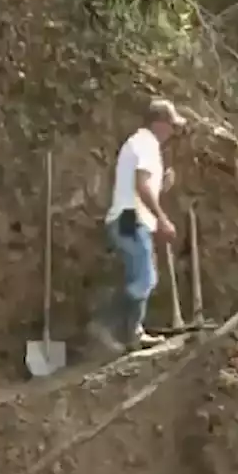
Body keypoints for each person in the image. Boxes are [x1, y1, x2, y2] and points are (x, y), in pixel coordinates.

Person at [88, 98, 185, 353]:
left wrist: (163, 185)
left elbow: (143, 185)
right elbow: (141, 186)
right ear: (159, 124)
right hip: (129, 218)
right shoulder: (145, 143)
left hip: (131, 217)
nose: (173, 132)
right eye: (171, 126)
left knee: (141, 277)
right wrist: (162, 218)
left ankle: (133, 333)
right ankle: (104, 324)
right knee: (145, 278)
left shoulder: (143, 145)